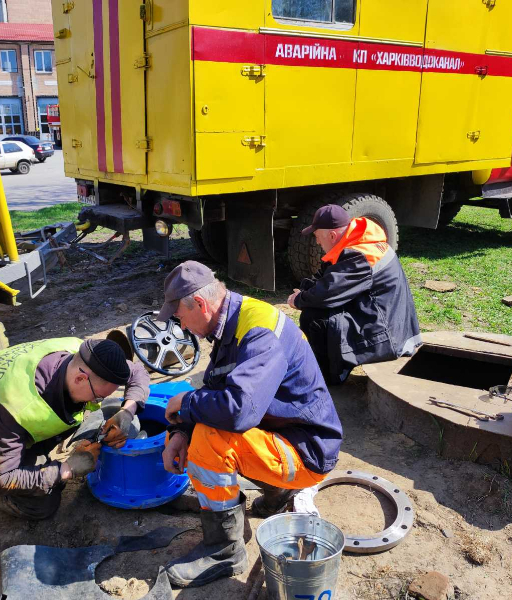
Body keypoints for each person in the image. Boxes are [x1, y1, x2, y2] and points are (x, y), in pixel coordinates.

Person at [157, 261, 343, 588]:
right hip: (287, 435)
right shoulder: (234, 323)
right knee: (201, 426)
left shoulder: (259, 333)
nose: (180, 325)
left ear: (199, 304)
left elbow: (240, 411)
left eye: (179, 317)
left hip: (306, 452)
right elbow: (216, 388)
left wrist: (186, 406)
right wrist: (181, 431)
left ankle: (224, 551)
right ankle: (279, 492)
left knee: (211, 438)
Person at [0, 337, 150, 522]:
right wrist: (67, 469)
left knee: (93, 420)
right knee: (42, 505)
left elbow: (137, 371)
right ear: (80, 378)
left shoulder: (87, 355)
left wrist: (127, 411)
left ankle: (36, 456)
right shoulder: (16, 405)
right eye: (98, 396)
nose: (98, 400)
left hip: (17, 427)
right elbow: (2, 479)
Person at [288, 204, 421, 385]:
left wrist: (300, 299)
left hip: (388, 335)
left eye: (317, 237)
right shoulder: (360, 243)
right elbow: (330, 280)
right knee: (318, 310)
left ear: (332, 235)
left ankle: (325, 379)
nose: (317, 242)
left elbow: (327, 294)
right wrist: (306, 290)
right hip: (389, 322)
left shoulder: (359, 257)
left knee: (315, 319)